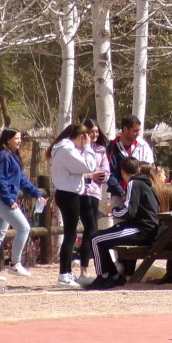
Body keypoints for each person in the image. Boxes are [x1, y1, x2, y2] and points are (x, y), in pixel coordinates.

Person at [86, 158, 161, 290]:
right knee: (100, 237)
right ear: (138, 168)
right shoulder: (147, 184)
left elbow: (129, 212)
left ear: (122, 172)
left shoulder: (134, 183)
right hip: (147, 229)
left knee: (95, 239)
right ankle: (114, 274)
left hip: (141, 230)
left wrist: (113, 210)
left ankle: (105, 276)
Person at [0, 129, 47, 280]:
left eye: (20, 138)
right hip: (0, 199)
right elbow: (0, 181)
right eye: (16, 138)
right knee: (24, 228)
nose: (19, 141)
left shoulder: (12, 156)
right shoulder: (3, 156)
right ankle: (15, 263)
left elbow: (22, 180)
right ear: (7, 140)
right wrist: (9, 200)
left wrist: (36, 194)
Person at [49, 123, 104, 289]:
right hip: (68, 194)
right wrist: (88, 147)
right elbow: (89, 166)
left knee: (70, 234)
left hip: (68, 193)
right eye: (85, 139)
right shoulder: (67, 149)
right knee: (70, 235)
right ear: (81, 137)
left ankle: (66, 273)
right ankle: (63, 275)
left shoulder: (62, 148)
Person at [80, 120, 111, 282]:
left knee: (92, 229)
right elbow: (73, 171)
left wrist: (102, 175)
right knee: (90, 229)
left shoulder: (101, 149)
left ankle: (87, 267)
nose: (95, 135)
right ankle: (84, 269)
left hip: (95, 193)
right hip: (81, 192)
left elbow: (106, 171)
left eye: (97, 131)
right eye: (92, 131)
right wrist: (89, 176)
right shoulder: (78, 148)